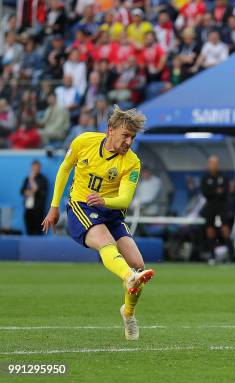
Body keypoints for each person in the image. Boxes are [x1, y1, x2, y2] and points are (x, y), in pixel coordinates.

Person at [42, 105, 155, 341]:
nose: (129, 141)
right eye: (125, 135)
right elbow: (65, 168)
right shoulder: (84, 142)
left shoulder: (132, 163)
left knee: (137, 264)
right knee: (106, 243)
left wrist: (105, 200)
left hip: (110, 211)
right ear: (110, 131)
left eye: (132, 137)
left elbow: (125, 198)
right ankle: (128, 277)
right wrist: (54, 207)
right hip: (82, 206)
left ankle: (128, 312)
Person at [200, 155, 232, 261]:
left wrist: (214, 191)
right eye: (211, 163)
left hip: (222, 206)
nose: (213, 165)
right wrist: (216, 191)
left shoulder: (223, 176)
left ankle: (231, 253)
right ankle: (212, 253)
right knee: (210, 229)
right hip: (210, 206)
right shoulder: (205, 177)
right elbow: (205, 192)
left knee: (225, 228)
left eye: (215, 163)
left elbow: (226, 191)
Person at [20, 160, 49, 235]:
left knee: (38, 232)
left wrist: (32, 180)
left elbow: (37, 190)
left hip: (38, 210)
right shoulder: (27, 179)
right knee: (29, 231)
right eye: (34, 167)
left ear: (39, 168)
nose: (35, 168)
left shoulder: (43, 179)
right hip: (28, 209)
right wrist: (30, 192)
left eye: (37, 167)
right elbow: (22, 191)